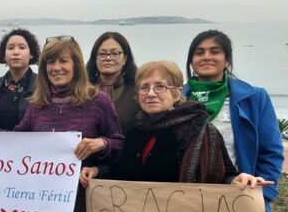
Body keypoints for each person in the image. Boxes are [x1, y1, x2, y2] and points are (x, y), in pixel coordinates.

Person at [0, 36, 124, 212]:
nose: (56, 68)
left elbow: (118, 142)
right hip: (43, 210)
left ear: (76, 64)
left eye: (63, 61)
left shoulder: (98, 100)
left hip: (85, 208)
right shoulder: (38, 104)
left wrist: (100, 143)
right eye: (50, 62)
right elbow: (17, 141)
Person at [183, 30, 283, 212]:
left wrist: (260, 198)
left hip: (238, 200)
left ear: (227, 60)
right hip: (185, 203)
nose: (206, 56)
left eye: (215, 51)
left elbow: (271, 152)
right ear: (192, 61)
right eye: (199, 52)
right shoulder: (177, 98)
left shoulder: (254, 97)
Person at [114, 61, 271, 188]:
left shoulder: (200, 128)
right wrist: (96, 169)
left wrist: (237, 179)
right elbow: (118, 173)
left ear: (176, 93)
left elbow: (224, 174)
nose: (151, 93)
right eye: (144, 87)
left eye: (160, 87)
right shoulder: (135, 128)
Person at [0, 28, 40, 130]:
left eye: (22, 47)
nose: (16, 52)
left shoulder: (43, 86)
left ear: (31, 54)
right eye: (10, 48)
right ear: (4, 55)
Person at [86, 31, 139, 133]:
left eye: (115, 53)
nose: (108, 58)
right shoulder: (83, 90)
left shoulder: (138, 91)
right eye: (102, 54)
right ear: (95, 58)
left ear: (125, 58)